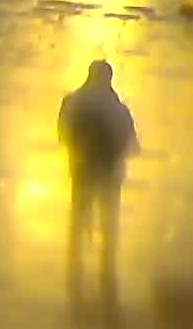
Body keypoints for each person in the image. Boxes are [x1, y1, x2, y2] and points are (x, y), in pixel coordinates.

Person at [58, 60, 138, 303]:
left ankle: (75, 258)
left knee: (79, 213)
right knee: (108, 218)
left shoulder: (72, 102)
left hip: (81, 168)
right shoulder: (118, 109)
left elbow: (62, 133)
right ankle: (107, 263)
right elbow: (130, 143)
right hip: (109, 172)